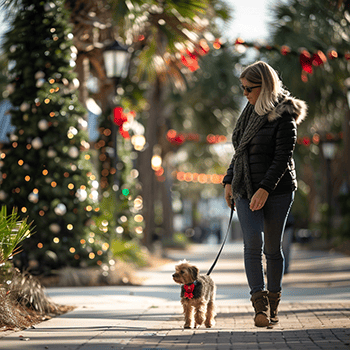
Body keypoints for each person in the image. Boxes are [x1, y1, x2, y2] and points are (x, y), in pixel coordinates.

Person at [222, 61, 307, 327]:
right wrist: (228, 180)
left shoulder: (284, 113)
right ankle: (258, 307)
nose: (245, 94)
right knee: (252, 245)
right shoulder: (248, 113)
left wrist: (265, 189)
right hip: (245, 188)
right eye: (243, 89)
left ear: (265, 86)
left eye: (249, 89)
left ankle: (273, 306)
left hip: (278, 190)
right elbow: (240, 152)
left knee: (273, 249)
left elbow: (283, 157)